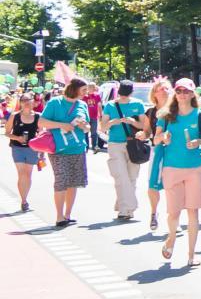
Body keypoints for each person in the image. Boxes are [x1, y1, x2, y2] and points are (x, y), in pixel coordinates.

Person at [155, 79, 201, 267]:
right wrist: (164, 137)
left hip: (195, 168)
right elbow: (155, 139)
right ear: (175, 94)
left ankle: (191, 255)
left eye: (186, 91)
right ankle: (171, 238)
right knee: (173, 213)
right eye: (179, 91)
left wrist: (198, 142)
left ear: (192, 94)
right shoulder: (166, 115)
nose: (182, 94)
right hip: (172, 168)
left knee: (192, 212)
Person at [40, 78, 90, 227]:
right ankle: (59, 216)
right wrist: (62, 125)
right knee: (61, 180)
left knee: (73, 182)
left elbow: (87, 128)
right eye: (84, 90)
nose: (86, 93)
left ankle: (68, 215)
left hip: (77, 148)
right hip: (58, 148)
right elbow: (41, 122)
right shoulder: (55, 103)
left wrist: (84, 126)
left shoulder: (82, 105)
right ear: (74, 89)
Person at [100, 81, 148, 223]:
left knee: (132, 176)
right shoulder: (110, 105)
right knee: (121, 175)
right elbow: (103, 127)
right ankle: (127, 208)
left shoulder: (138, 104)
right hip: (115, 143)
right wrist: (113, 122)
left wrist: (132, 121)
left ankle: (124, 208)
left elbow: (144, 126)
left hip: (133, 143)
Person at [142, 77, 173, 232]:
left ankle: (173, 217)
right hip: (158, 150)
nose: (164, 90)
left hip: (175, 151)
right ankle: (154, 213)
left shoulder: (178, 109)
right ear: (154, 93)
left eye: (167, 87)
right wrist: (143, 134)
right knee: (152, 185)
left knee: (173, 186)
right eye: (161, 88)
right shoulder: (151, 112)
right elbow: (148, 132)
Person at [7, 91, 40, 213]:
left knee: (28, 174)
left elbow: (42, 134)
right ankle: (24, 200)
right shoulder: (14, 116)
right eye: (23, 101)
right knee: (21, 174)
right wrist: (17, 138)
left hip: (32, 148)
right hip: (17, 147)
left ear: (33, 102)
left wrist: (41, 152)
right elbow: (7, 132)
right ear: (20, 103)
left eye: (28, 100)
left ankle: (25, 198)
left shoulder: (38, 116)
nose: (26, 103)